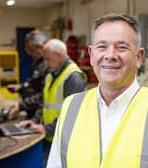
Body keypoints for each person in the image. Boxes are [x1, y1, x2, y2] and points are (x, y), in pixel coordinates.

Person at [46, 13, 147, 168]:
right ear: (92, 55)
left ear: (138, 57)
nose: (110, 55)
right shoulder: (71, 107)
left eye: (121, 47)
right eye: (102, 47)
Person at [19, 39, 87, 168]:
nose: (45, 63)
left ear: (59, 55)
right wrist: (34, 121)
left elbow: (72, 115)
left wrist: (46, 129)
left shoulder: (73, 78)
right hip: (49, 137)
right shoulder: (51, 74)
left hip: (64, 141)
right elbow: (45, 103)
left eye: (48, 59)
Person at [7, 30, 49, 119]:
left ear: (40, 47)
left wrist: (21, 105)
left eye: (31, 51)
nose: (30, 54)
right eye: (28, 51)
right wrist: (21, 87)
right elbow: (32, 83)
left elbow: (43, 94)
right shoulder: (37, 63)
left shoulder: (48, 65)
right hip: (31, 111)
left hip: (40, 114)